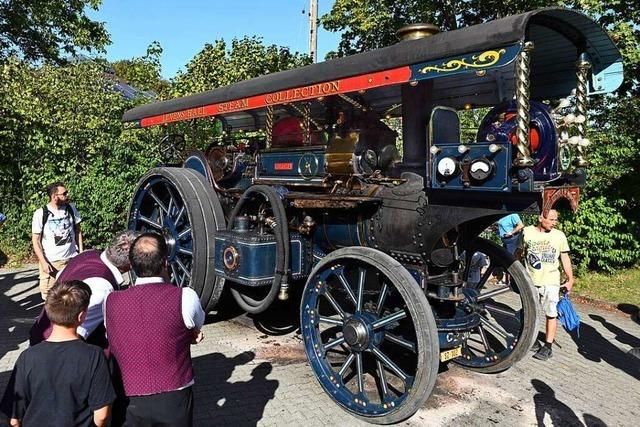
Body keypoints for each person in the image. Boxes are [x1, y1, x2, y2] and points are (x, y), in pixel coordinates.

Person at [104, 232, 205, 426]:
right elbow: (196, 324)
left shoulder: (110, 301)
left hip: (128, 396)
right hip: (174, 396)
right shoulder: (186, 296)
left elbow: (115, 334)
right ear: (165, 263)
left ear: (131, 266)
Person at [0, 281, 116, 427]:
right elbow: (102, 415)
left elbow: (14, 418)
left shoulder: (27, 357)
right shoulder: (93, 356)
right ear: (81, 316)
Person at [29, 230, 138, 347]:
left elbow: (61, 275)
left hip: (40, 337)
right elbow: (76, 334)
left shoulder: (86, 255)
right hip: (55, 352)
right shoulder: (102, 287)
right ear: (132, 264)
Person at [522, 209, 574, 361]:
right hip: (530, 281)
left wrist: (570, 279)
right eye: (551, 219)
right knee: (528, 313)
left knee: (551, 313)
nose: (554, 223)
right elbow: (519, 253)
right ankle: (532, 340)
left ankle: (548, 346)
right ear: (540, 218)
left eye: (556, 220)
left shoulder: (559, 236)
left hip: (551, 281)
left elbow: (564, 258)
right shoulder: (526, 232)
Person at [32, 182, 83, 300]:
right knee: (50, 298)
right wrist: (43, 262)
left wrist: (80, 253)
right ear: (54, 196)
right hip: (52, 262)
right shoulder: (41, 213)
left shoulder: (71, 208)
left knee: (73, 296)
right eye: (64, 193)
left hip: (71, 259)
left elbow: (78, 231)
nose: (67, 195)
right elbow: (36, 240)